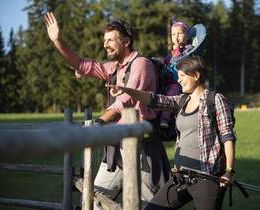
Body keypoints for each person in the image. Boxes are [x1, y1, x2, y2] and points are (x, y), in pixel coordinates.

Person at [43, 12, 170, 209]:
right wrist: (58, 40)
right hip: (116, 147)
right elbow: (81, 64)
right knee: (94, 201)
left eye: (110, 40)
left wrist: (98, 123)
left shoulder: (141, 65)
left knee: (149, 206)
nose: (105, 45)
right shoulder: (113, 68)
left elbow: (124, 103)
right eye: (104, 40)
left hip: (143, 149)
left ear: (126, 42)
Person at [108, 55, 236, 210]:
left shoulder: (215, 100)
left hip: (207, 179)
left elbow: (228, 137)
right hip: (180, 177)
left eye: (182, 76)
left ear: (196, 75)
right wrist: (125, 90)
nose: (179, 80)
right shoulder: (182, 101)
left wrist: (228, 171)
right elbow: (154, 99)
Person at [159, 21, 192, 129]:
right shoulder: (173, 51)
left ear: (187, 36)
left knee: (171, 93)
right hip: (167, 79)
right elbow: (169, 62)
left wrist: (177, 51)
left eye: (180, 33)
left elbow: (180, 62)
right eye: (173, 34)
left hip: (177, 82)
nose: (176, 36)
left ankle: (164, 118)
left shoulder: (189, 50)